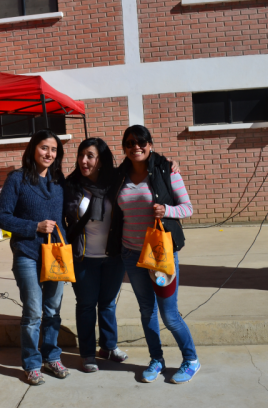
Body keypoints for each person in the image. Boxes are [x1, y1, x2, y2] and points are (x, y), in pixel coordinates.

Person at [106, 125, 200, 384]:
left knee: (169, 314)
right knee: (147, 310)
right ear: (124, 148)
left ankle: (191, 359)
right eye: (130, 143)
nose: (136, 147)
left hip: (160, 255)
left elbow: (187, 208)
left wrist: (167, 211)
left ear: (150, 144)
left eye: (141, 142)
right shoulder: (120, 176)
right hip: (131, 253)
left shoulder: (166, 170)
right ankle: (156, 359)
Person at [0, 129, 69, 386]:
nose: (49, 153)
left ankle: (52, 357)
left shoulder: (59, 181)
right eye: (44, 147)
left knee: (53, 310)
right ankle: (32, 363)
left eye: (54, 149)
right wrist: (34, 227)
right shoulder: (17, 179)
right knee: (34, 312)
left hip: (55, 255)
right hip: (27, 254)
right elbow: (2, 217)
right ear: (33, 149)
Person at [63, 138, 128, 373]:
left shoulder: (116, 182)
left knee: (108, 303)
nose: (83, 161)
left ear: (101, 160)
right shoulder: (71, 185)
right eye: (81, 155)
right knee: (86, 305)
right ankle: (88, 353)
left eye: (90, 156)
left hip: (113, 256)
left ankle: (109, 347)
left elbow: (142, 166)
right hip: (83, 258)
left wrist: (168, 163)